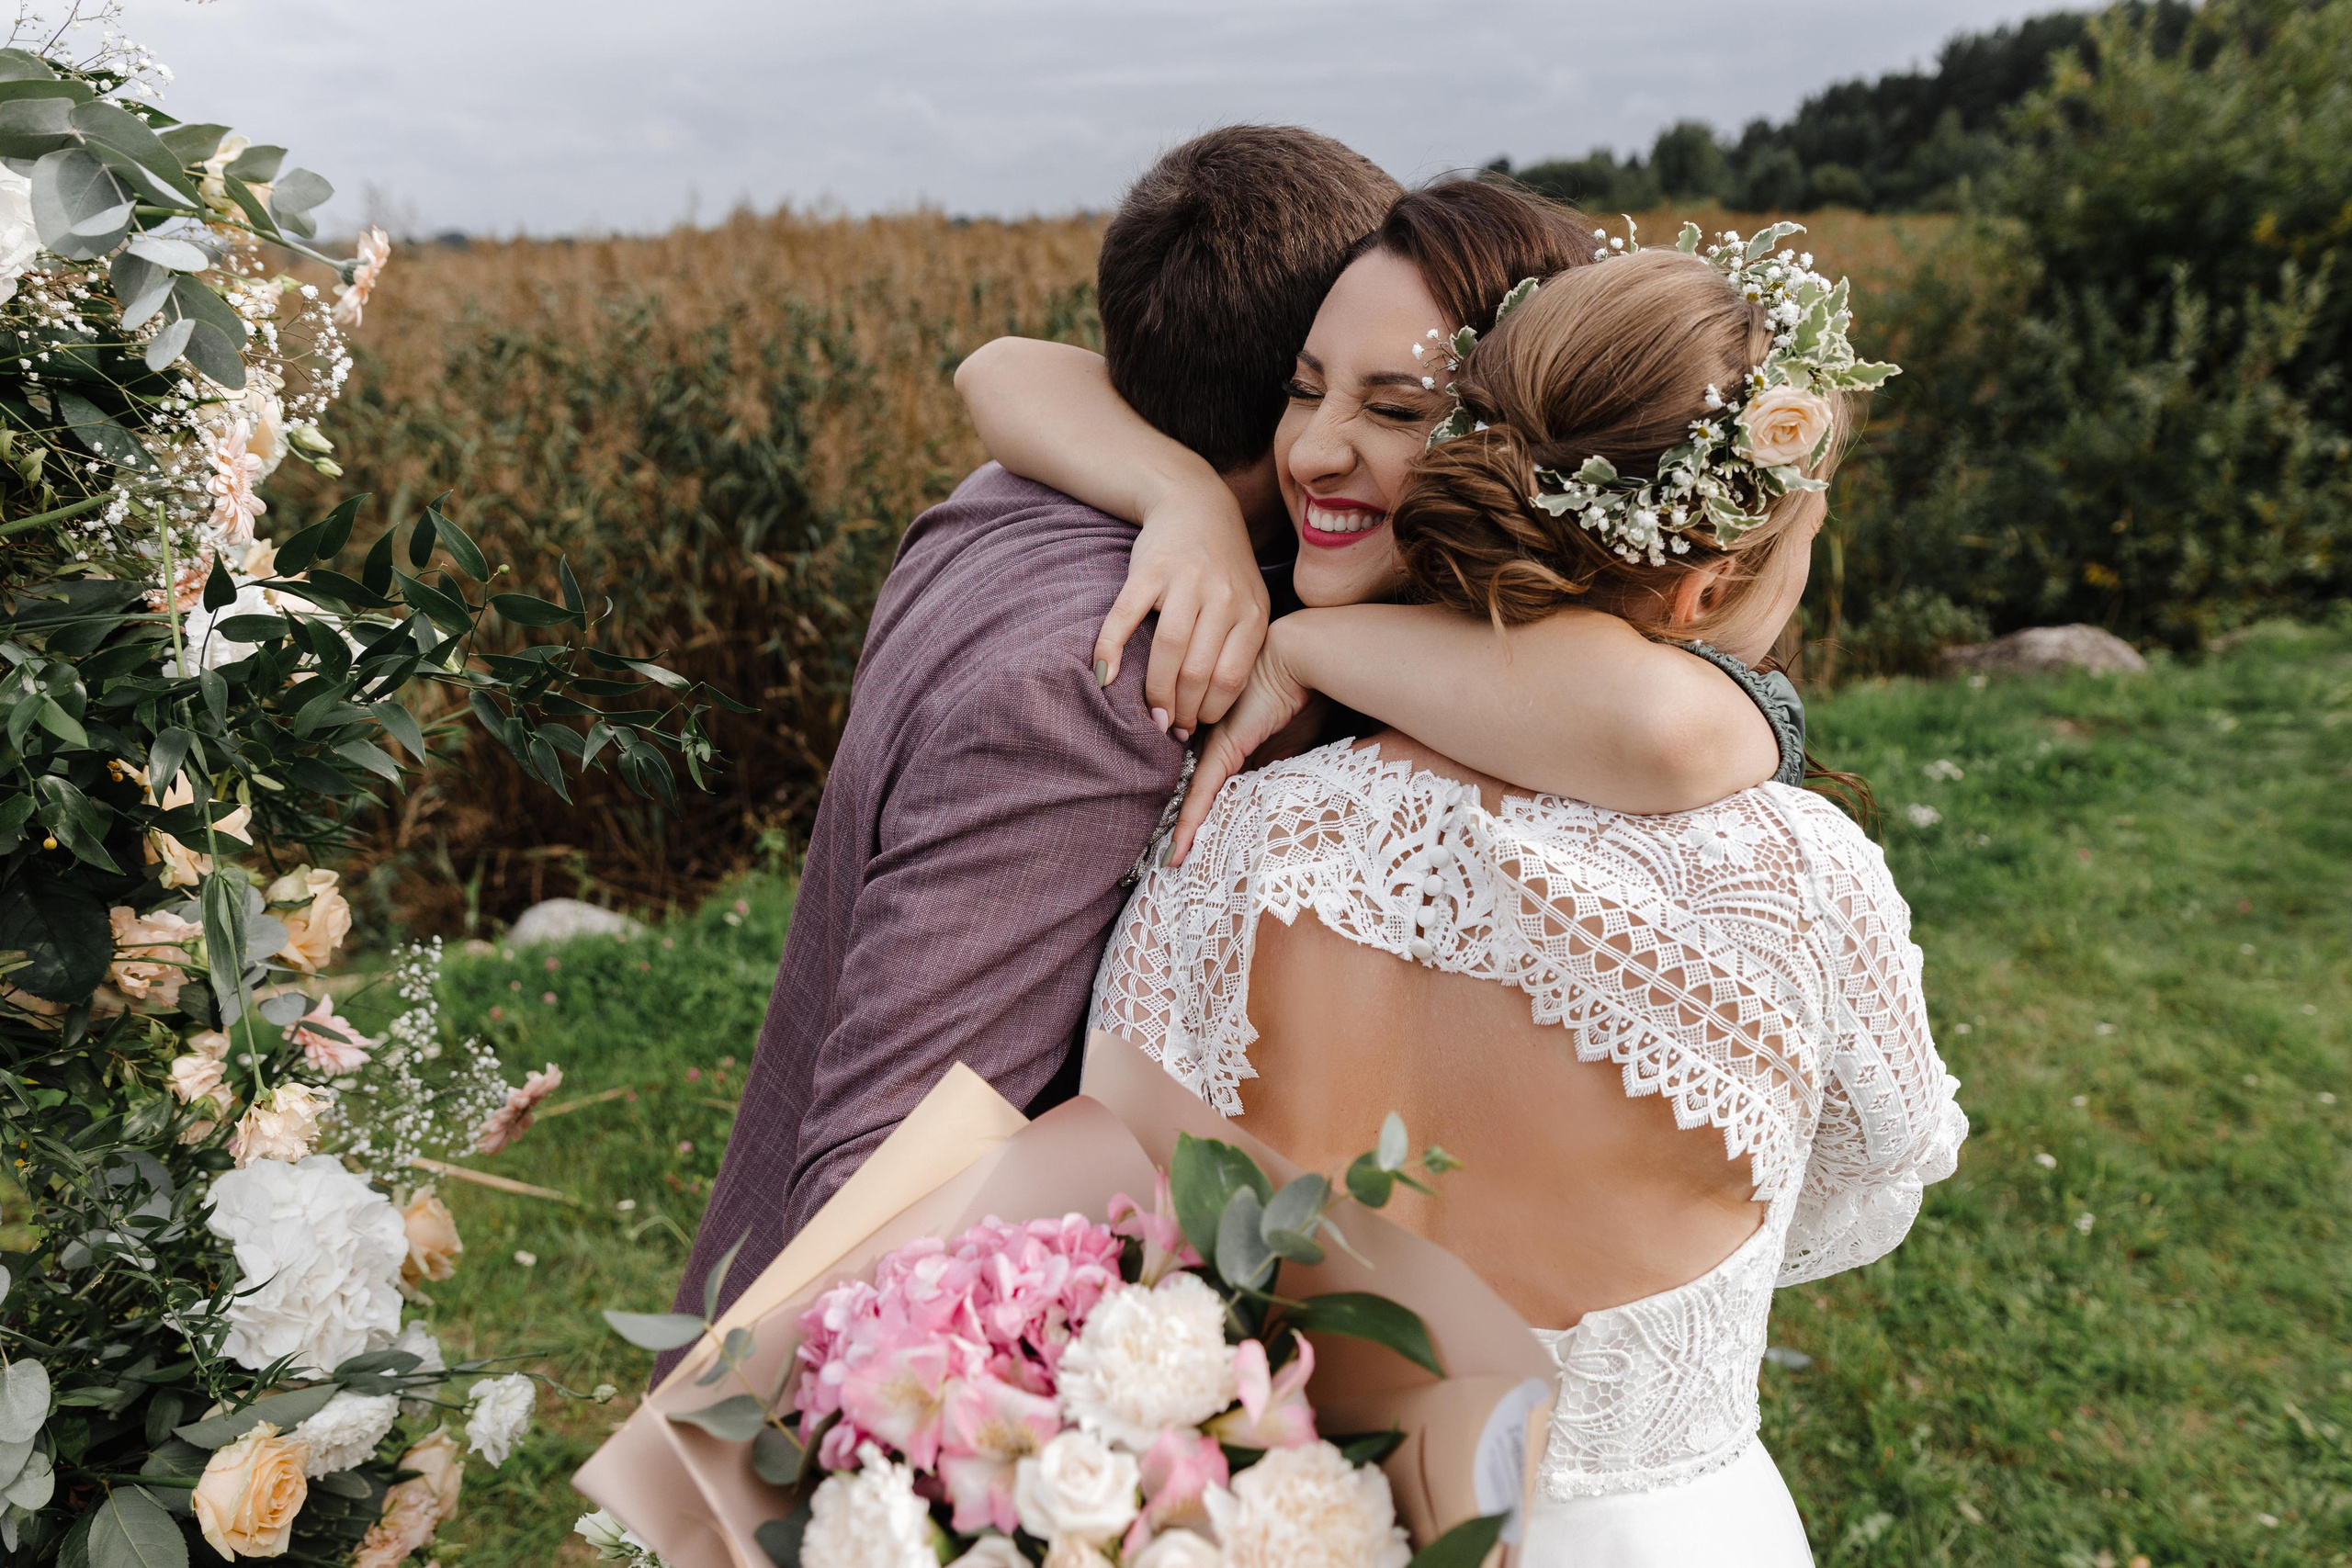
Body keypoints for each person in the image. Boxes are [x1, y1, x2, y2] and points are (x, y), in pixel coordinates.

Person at [969, 220, 1968, 1562]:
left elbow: (1133, 1182)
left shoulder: (1236, 826)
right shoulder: (1798, 879)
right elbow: (1877, 1173)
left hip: (1321, 1521)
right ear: (1715, 577)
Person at [664, 124, 1399, 1344]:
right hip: (872, 1416)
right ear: (1302, 396)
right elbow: (879, 1193)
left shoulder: (1010, 491)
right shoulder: (1120, 674)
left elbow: (1010, 365)